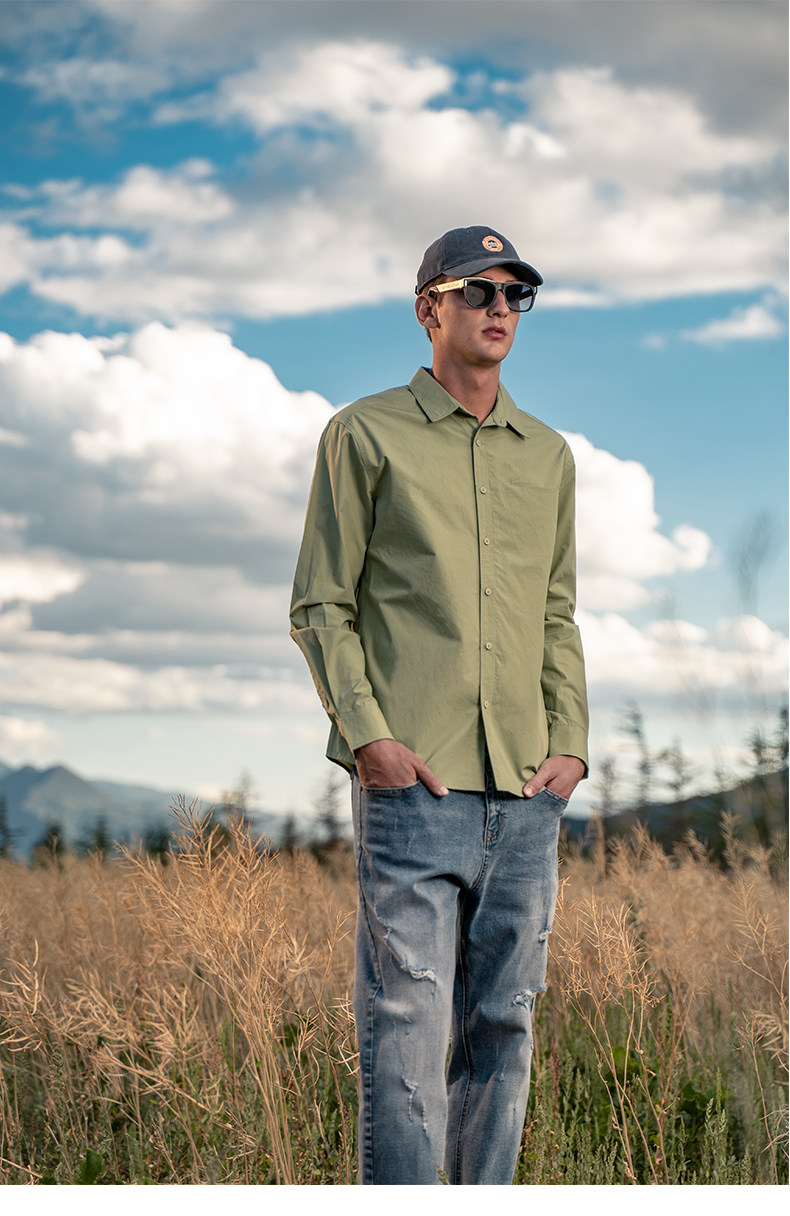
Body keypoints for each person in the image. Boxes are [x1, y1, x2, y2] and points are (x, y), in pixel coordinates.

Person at [290, 225, 588, 1185]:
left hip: (528, 792)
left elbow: (555, 613)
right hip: (415, 784)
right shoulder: (364, 434)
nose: (500, 308)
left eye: (515, 295)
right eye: (478, 291)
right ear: (429, 309)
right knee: (408, 1029)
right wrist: (370, 739)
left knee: (504, 1026)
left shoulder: (548, 456)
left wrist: (570, 746)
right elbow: (321, 604)